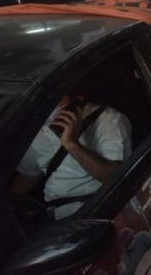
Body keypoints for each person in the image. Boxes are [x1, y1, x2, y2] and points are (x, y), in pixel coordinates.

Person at [11, 92, 132, 220]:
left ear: (77, 99)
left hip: (91, 210)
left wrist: (72, 144)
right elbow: (27, 177)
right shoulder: (42, 129)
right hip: (52, 216)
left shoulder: (109, 120)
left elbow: (116, 177)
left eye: (57, 101)